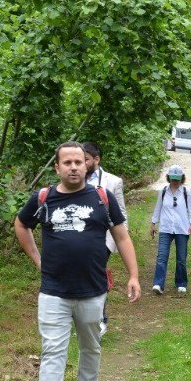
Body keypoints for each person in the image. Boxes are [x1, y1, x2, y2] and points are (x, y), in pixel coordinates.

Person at [15, 142, 141, 381]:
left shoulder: (102, 197)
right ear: (57, 168)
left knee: (91, 345)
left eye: (78, 162)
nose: (73, 167)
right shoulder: (44, 198)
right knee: (53, 351)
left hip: (92, 289)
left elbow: (121, 237)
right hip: (53, 291)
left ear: (87, 166)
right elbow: (21, 225)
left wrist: (134, 276)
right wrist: (38, 260)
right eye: (67, 162)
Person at [83, 141, 127, 337]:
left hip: (104, 240)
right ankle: (83, 318)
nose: (80, 164)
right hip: (78, 239)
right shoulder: (74, 179)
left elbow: (121, 215)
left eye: (85, 160)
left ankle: (100, 319)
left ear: (96, 160)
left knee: (95, 274)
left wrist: (118, 242)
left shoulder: (113, 182)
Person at [150, 164, 191, 294]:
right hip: (165, 228)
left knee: (181, 258)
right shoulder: (163, 191)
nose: (175, 181)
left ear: (182, 178)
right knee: (162, 257)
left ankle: (181, 283)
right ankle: (158, 284)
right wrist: (153, 223)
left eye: (177, 178)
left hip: (182, 228)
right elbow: (158, 208)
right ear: (168, 177)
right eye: (172, 178)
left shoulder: (187, 192)